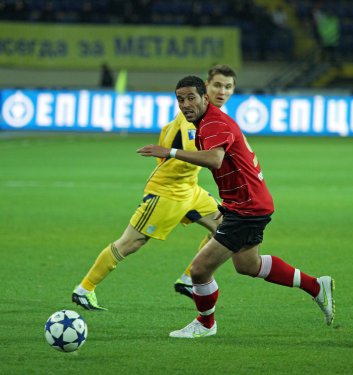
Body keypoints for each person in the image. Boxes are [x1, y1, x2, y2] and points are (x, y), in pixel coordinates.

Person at [137, 75, 335, 338]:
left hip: (248, 208)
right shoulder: (208, 121)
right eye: (180, 99)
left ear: (204, 98)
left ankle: (205, 325)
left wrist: (169, 152)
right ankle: (316, 286)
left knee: (199, 270)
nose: (185, 104)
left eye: (191, 98)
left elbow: (214, 159)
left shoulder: (213, 123)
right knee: (248, 266)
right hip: (245, 203)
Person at [71, 65, 237, 310]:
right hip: (167, 192)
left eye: (228, 87)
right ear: (205, 88)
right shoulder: (192, 120)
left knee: (228, 227)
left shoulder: (207, 116)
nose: (222, 92)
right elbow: (201, 155)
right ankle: (85, 288)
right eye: (217, 86)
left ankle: (190, 278)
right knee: (131, 242)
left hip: (190, 189)